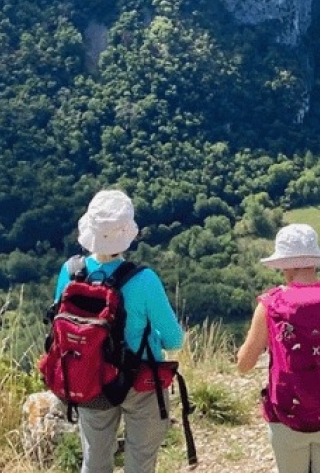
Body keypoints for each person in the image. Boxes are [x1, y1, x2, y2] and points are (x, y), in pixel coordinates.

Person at [54, 189, 186, 473]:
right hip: (142, 380)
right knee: (141, 459)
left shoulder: (70, 271)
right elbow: (175, 340)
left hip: (90, 378)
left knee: (95, 460)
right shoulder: (144, 279)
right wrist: (152, 340)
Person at [238, 223, 320, 473]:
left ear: (285, 265)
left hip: (288, 416)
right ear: (314, 261)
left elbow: (244, 365)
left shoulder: (270, 305)